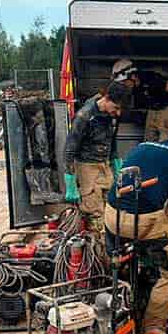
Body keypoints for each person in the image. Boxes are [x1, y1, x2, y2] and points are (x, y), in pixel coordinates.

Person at [105, 121, 168, 334]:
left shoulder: (142, 146)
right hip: (143, 221)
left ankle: (118, 297)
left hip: (111, 215)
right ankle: (153, 327)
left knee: (117, 258)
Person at [64, 80, 133, 231]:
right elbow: (70, 148)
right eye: (116, 108)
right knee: (95, 213)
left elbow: (112, 141)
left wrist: (116, 164)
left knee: (112, 206)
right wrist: (70, 180)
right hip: (87, 167)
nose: (118, 113)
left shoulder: (113, 116)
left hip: (105, 164)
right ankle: (97, 250)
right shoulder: (84, 116)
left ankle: (110, 244)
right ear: (107, 98)